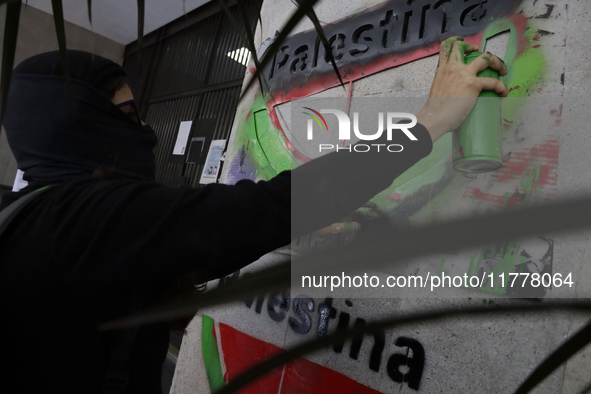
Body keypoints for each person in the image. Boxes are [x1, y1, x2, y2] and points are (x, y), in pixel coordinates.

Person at [0, 37, 507, 393]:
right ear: (79, 123)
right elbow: (267, 208)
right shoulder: (80, 219)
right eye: (128, 116)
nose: (144, 131)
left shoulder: (25, 215)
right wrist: (429, 122)